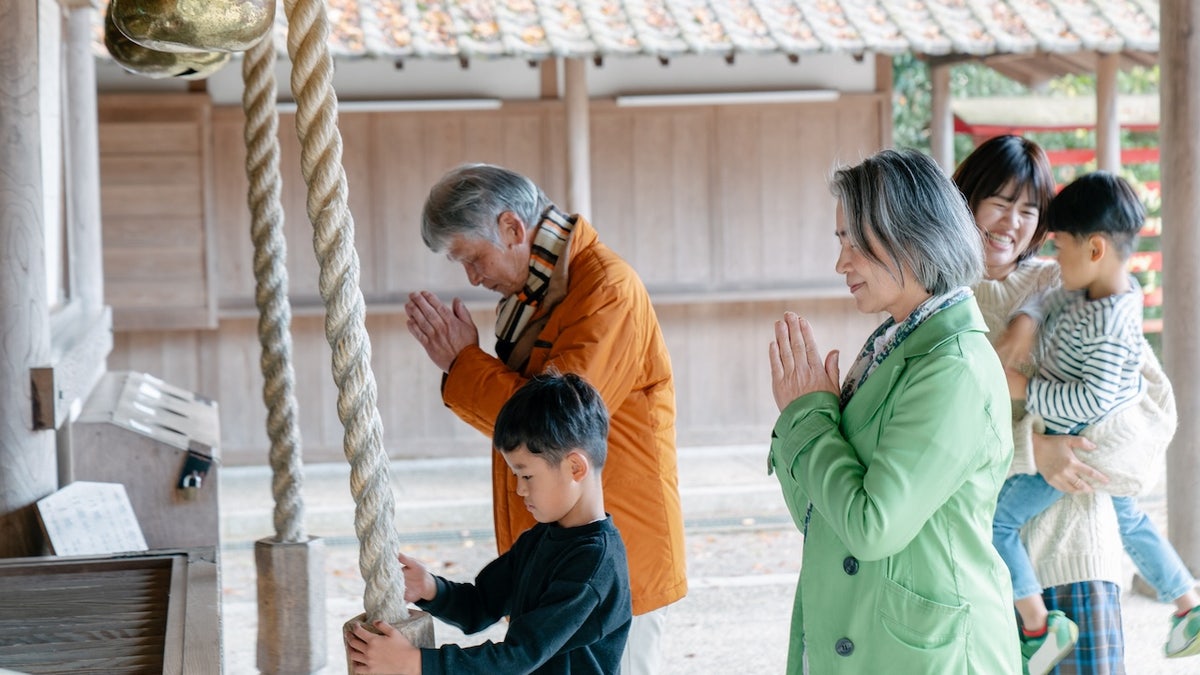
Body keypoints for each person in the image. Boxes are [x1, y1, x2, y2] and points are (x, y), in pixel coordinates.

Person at [403, 163, 686, 674]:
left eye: (473, 258)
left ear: (513, 228)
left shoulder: (606, 290)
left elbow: (553, 422)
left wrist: (463, 365)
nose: (472, 277)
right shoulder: (536, 300)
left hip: (616, 559)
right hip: (555, 544)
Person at [766, 148, 1020, 673]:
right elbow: (819, 516)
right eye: (840, 242)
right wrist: (801, 415)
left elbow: (870, 526)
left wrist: (810, 419)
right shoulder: (892, 347)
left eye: (855, 242)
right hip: (866, 629)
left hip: (933, 650)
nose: (841, 262)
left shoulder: (954, 368)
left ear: (913, 234)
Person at [954, 134, 1183, 674]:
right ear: (966, 200)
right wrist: (1033, 446)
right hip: (977, 568)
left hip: (1078, 555)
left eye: (1030, 210)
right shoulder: (939, 297)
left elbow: (1153, 409)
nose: (1014, 222)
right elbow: (936, 432)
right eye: (1001, 203)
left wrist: (1082, 447)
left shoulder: (1075, 280)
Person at [346, 372, 633, 674]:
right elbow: (481, 605)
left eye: (527, 475)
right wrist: (432, 589)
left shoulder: (594, 565)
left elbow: (519, 657)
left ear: (575, 467)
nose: (520, 489)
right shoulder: (540, 539)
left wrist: (416, 663)